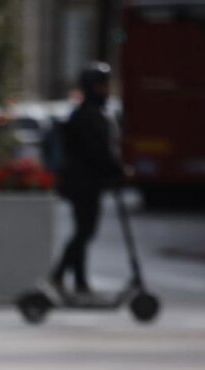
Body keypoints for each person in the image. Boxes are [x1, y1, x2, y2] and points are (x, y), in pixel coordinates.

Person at [50, 62, 125, 296]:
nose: (107, 90)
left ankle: (78, 281)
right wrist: (117, 170)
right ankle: (60, 275)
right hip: (84, 184)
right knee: (84, 231)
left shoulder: (89, 113)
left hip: (84, 183)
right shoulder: (89, 116)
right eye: (103, 85)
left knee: (83, 231)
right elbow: (99, 151)